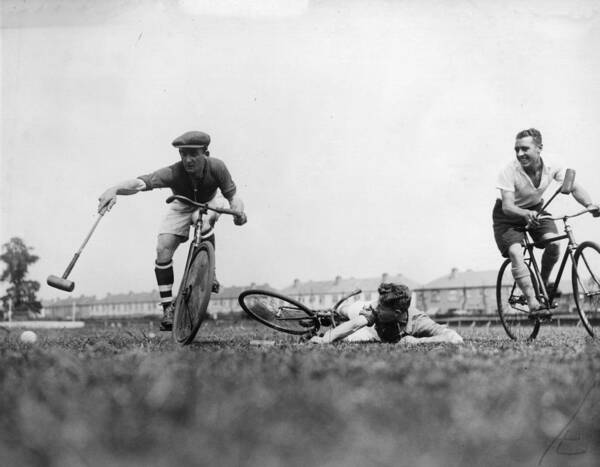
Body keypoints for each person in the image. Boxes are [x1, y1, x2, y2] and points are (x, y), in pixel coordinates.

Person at [97, 130, 247, 331]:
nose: (188, 159)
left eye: (193, 154)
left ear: (206, 153)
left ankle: (210, 271)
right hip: (181, 204)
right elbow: (141, 183)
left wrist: (238, 211)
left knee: (202, 217)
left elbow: (233, 197)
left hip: (209, 202)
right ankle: (168, 309)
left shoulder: (217, 167)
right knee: (162, 249)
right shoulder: (174, 172)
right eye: (183, 154)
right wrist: (114, 189)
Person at [493, 128, 599, 315]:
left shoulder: (554, 163)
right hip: (507, 217)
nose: (520, 154)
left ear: (539, 148)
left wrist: (589, 204)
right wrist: (524, 214)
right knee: (516, 252)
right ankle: (533, 303)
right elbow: (507, 206)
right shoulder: (508, 171)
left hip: (536, 209)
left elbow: (573, 187)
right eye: (516, 149)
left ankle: (542, 285)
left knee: (555, 244)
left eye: (525, 149)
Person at [308, 283, 463, 344]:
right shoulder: (377, 308)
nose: (377, 308)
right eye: (379, 304)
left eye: (382, 307)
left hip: (374, 333)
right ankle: (329, 314)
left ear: (397, 312)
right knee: (348, 310)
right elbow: (355, 323)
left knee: (347, 338)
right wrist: (325, 340)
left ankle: (333, 320)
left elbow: (455, 338)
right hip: (367, 320)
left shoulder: (418, 321)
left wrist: (416, 341)